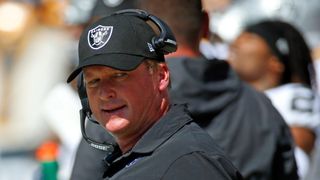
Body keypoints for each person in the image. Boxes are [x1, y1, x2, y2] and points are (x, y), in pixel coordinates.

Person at [70, 0, 298, 180]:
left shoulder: (191, 161)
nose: (105, 92)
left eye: (120, 75)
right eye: (93, 81)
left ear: (161, 75)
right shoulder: (259, 108)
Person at [228, 20, 320, 178]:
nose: (238, 41)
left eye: (249, 37)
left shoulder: (293, 95)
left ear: (274, 62)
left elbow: (298, 157)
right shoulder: (240, 95)